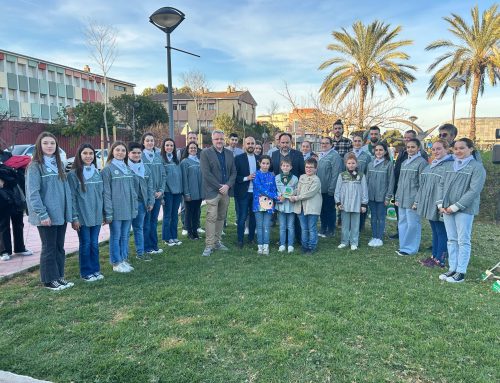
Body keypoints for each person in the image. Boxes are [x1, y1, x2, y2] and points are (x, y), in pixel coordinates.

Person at [26, 132, 73, 290]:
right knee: (49, 247)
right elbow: (33, 193)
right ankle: (48, 280)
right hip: (47, 216)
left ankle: (59, 276)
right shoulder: (35, 166)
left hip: (60, 214)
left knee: (59, 246)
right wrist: (42, 214)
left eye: (52, 143)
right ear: (39, 145)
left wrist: (69, 212)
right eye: (45, 143)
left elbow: (65, 190)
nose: (49, 146)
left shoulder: (58, 164)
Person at [438, 138, 486, 283]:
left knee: (463, 240)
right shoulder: (450, 165)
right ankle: (452, 268)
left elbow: (474, 191)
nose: (458, 151)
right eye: (456, 148)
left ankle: (461, 272)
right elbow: (441, 184)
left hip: (464, 209)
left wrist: (456, 206)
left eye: (462, 148)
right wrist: (440, 204)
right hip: (446, 209)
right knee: (451, 239)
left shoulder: (477, 167)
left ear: (470, 149)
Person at [68, 144, 105, 282]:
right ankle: (86, 272)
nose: (88, 156)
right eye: (85, 153)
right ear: (79, 155)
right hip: (82, 216)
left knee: (94, 243)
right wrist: (74, 217)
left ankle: (95, 270)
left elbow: (101, 194)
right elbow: (71, 197)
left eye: (91, 153)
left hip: (96, 215)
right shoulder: (73, 175)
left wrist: (103, 213)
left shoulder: (97, 172)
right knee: (86, 243)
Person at [415, 139, 453, 268]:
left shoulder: (450, 165)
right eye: (434, 149)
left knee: (442, 231)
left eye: (439, 148)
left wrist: (443, 204)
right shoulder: (432, 164)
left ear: (447, 149)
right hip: (430, 202)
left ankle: (440, 259)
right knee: (435, 230)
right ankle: (434, 256)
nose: (436, 151)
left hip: (441, 203)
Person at [102, 141, 138, 273]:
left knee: (125, 235)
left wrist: (134, 206)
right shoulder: (107, 170)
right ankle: (116, 262)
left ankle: (123, 259)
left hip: (128, 208)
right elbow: (106, 192)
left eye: (123, 150)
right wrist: (108, 212)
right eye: (117, 150)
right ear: (112, 151)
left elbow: (132, 191)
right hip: (116, 209)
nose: (120, 152)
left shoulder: (127, 168)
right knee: (116, 236)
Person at [200, 130, 236, 256]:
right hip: (212, 192)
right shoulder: (205, 153)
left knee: (221, 217)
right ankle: (209, 245)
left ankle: (217, 241)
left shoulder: (229, 153)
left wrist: (227, 185)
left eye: (221, 138)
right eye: (216, 139)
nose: (219, 141)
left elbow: (233, 172)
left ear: (224, 139)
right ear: (212, 140)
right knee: (211, 218)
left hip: (225, 191)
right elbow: (206, 173)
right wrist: (219, 186)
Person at [390, 129, 429, 239]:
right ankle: (403, 239)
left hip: (412, 193)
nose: (407, 140)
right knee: (402, 219)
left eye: (410, 138)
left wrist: (417, 200)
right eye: (405, 138)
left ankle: (411, 245)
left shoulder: (422, 160)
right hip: (400, 189)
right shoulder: (403, 154)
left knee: (412, 221)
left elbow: (422, 182)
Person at [394, 138, 428, 256]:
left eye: (413, 147)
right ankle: (403, 246)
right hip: (402, 198)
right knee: (402, 222)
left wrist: (417, 201)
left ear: (418, 148)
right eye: (408, 147)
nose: (410, 149)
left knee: (413, 224)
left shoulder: (422, 163)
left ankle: (411, 248)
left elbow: (423, 184)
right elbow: (400, 182)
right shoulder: (404, 163)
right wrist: (397, 198)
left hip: (413, 199)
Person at [0, 148, 32, 261]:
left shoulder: (7, 155)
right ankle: (4, 251)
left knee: (18, 222)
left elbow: (17, 172)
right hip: (1, 197)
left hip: (14, 194)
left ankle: (20, 248)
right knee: (3, 224)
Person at [335, 153, 368, 250]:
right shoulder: (342, 175)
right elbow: (337, 190)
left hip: (356, 204)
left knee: (355, 224)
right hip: (344, 204)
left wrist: (364, 204)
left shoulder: (361, 176)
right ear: (346, 164)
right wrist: (338, 202)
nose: (351, 165)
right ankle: (344, 241)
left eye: (353, 163)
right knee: (345, 224)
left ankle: (354, 242)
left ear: (357, 164)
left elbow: (364, 190)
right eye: (349, 163)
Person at [128, 142, 154, 261]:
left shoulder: (145, 168)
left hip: (141, 203)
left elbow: (150, 186)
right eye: (134, 152)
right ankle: (123, 257)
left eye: (139, 153)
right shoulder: (125, 168)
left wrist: (150, 201)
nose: (136, 155)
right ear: (128, 153)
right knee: (125, 231)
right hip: (127, 205)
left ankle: (140, 253)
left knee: (139, 228)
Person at [290, 158, 322, 254]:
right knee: (304, 228)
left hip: (312, 207)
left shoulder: (316, 180)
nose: (308, 169)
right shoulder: (302, 177)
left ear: (315, 169)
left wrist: (296, 198)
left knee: (311, 228)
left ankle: (312, 247)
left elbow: (309, 194)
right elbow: (298, 189)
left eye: (311, 167)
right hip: (301, 207)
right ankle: (304, 246)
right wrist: (291, 194)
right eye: (307, 167)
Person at [141, 132, 165, 255]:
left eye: (152, 140)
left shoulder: (158, 157)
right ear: (143, 143)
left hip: (157, 195)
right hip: (146, 196)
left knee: (154, 221)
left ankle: (154, 245)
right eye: (147, 140)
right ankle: (146, 247)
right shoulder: (140, 157)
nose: (150, 143)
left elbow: (163, 175)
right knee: (146, 222)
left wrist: (161, 190)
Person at [366, 142, 394, 247]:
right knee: (373, 217)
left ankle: (379, 238)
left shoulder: (389, 164)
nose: (378, 152)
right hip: (371, 196)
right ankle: (374, 236)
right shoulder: (370, 164)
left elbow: (391, 182)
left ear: (385, 152)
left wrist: (388, 197)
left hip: (382, 197)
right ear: (374, 151)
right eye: (376, 150)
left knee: (381, 217)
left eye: (381, 150)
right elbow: (367, 181)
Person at [234, 136, 259, 248]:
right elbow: (234, 176)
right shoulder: (238, 158)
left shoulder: (260, 159)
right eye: (248, 143)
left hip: (256, 193)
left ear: (255, 145)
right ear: (244, 145)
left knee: (253, 217)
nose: (250, 145)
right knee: (242, 217)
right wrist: (246, 178)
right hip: (243, 192)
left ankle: (251, 238)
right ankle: (240, 240)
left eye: (252, 143)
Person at [316, 136, 343, 238]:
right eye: (322, 143)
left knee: (330, 209)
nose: (324, 145)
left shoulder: (334, 156)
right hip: (320, 189)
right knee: (322, 209)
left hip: (329, 189)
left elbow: (336, 173)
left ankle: (330, 229)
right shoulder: (321, 155)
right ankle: (323, 227)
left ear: (331, 144)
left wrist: (332, 189)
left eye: (326, 143)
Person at [252, 155, 278, 255]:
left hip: (268, 204)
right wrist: (274, 196)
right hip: (258, 204)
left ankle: (266, 246)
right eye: (263, 163)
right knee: (259, 226)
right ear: (259, 163)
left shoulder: (272, 176)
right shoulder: (256, 175)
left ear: (269, 164)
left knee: (266, 225)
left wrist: (276, 196)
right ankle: (260, 246)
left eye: (267, 163)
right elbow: (260, 189)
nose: (265, 165)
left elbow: (274, 188)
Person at [179, 131, 202, 236]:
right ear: (188, 150)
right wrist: (186, 193)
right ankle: (189, 231)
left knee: (196, 212)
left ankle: (195, 230)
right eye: (191, 148)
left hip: (199, 193)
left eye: (195, 148)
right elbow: (184, 179)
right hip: (190, 193)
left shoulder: (200, 161)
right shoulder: (185, 162)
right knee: (189, 213)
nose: (193, 149)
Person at [161, 138, 183, 247]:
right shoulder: (161, 160)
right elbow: (162, 178)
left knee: (175, 215)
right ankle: (166, 237)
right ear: (163, 147)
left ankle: (174, 236)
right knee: (167, 216)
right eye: (167, 145)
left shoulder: (176, 160)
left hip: (177, 192)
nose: (169, 147)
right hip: (167, 192)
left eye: (171, 145)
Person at [275, 158, 298, 253]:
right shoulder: (276, 178)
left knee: (291, 226)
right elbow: (275, 189)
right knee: (282, 226)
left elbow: (296, 190)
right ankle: (282, 244)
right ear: (281, 167)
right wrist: (280, 196)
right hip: (281, 206)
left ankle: (290, 244)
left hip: (291, 205)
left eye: (287, 166)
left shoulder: (295, 178)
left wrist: (288, 196)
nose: (285, 167)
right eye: (283, 165)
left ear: (291, 167)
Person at [351, 133, 372, 231]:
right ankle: (351, 225)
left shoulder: (366, 156)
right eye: (355, 141)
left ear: (362, 142)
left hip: (361, 185)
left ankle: (360, 225)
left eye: (359, 141)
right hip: (350, 185)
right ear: (352, 142)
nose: (357, 143)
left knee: (361, 205)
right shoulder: (348, 154)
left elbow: (368, 172)